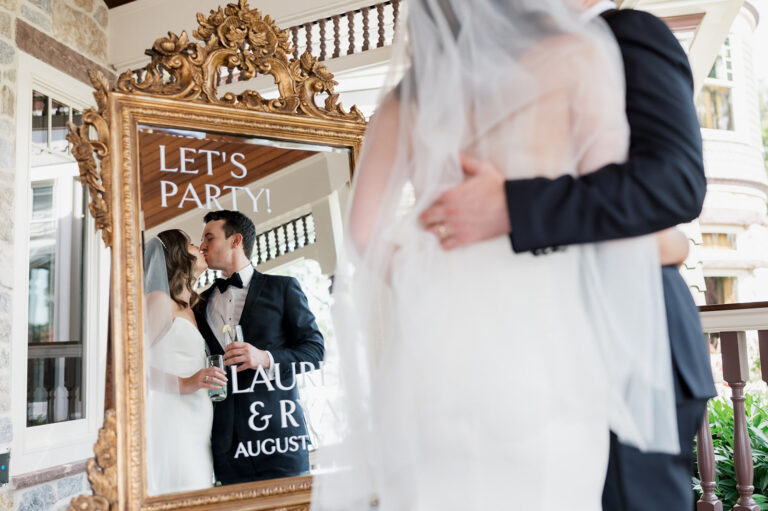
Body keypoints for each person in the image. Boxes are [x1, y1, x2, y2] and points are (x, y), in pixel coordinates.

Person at [313, 1, 682, 510]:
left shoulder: (409, 97)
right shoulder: (578, 55)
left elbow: (362, 230)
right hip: (545, 346)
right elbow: (615, 215)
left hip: (432, 355)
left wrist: (429, 273)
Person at [418, 1, 718, 509]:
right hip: (535, 347)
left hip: (628, 345)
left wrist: (513, 206)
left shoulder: (627, 34)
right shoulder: (493, 67)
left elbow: (675, 183)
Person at [194, 210, 325, 485]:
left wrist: (264, 358)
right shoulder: (198, 304)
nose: (202, 245)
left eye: (209, 237)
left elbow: (314, 352)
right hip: (226, 446)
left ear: (235, 240)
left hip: (279, 438)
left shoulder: (283, 288)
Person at [143, 229, 227, 495]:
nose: (200, 247)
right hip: (173, 419)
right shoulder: (159, 302)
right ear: (176, 254)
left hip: (199, 419)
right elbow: (132, 369)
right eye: (192, 244)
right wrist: (185, 383)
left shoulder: (191, 308)